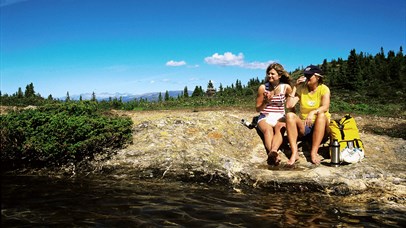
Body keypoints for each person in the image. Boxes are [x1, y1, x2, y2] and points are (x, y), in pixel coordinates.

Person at [285, 65, 331, 165]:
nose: (306, 78)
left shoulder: (324, 89)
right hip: (305, 125)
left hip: (322, 126)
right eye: (305, 75)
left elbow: (325, 107)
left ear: (318, 77)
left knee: (322, 115)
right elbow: (289, 105)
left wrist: (313, 112)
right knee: (289, 116)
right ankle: (294, 152)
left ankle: (314, 152)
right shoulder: (302, 89)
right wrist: (295, 87)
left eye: (309, 76)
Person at [256, 63, 294, 165]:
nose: (269, 76)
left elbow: (291, 105)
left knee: (280, 128)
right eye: (268, 73)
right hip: (265, 115)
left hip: (280, 115)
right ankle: (274, 153)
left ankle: (273, 151)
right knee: (268, 130)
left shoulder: (286, 87)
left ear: (279, 75)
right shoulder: (263, 88)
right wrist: (265, 102)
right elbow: (258, 109)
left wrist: (292, 118)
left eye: (272, 74)